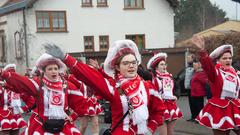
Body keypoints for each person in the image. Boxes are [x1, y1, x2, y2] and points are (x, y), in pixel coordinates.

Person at [45, 40, 166, 135]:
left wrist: (150, 128)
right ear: (117, 67)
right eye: (126, 63)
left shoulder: (147, 86)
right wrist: (66, 58)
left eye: (133, 62)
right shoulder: (114, 88)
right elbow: (90, 76)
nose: (131, 66)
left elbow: (159, 111)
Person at [0, 54, 88, 135]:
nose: (54, 71)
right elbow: (22, 82)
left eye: (55, 68)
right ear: (44, 71)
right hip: (42, 126)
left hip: (62, 126)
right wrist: (4, 73)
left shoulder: (67, 85)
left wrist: (73, 116)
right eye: (50, 69)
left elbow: (82, 103)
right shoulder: (39, 84)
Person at [192, 35, 240, 135]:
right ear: (218, 60)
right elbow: (207, 65)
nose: (228, 60)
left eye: (230, 58)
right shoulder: (215, 73)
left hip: (234, 108)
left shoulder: (236, 73)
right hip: (219, 109)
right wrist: (202, 50)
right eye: (225, 58)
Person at [147, 52, 183, 135]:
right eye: (161, 64)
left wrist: (176, 96)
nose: (164, 66)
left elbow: (177, 87)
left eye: (165, 64)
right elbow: (142, 73)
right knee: (163, 133)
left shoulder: (169, 76)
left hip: (171, 105)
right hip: (160, 106)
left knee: (170, 133)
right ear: (156, 67)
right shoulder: (153, 77)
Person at [0, 64, 35, 135]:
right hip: (2, 116)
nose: (13, 81)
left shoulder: (19, 89)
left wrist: (23, 109)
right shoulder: (2, 87)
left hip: (15, 116)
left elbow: (31, 101)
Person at [190, 59, 207, 123]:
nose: (194, 67)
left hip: (199, 93)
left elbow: (204, 81)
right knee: (195, 106)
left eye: (195, 65)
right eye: (193, 65)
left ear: (199, 65)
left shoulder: (201, 73)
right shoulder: (196, 72)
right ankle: (197, 118)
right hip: (194, 93)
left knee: (199, 107)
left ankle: (201, 119)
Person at [184, 53, 195, 122]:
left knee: (194, 103)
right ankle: (192, 116)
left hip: (193, 88)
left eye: (189, 58)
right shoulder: (188, 66)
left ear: (193, 59)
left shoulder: (195, 66)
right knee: (190, 103)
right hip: (188, 87)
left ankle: (196, 116)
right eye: (187, 58)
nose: (187, 59)